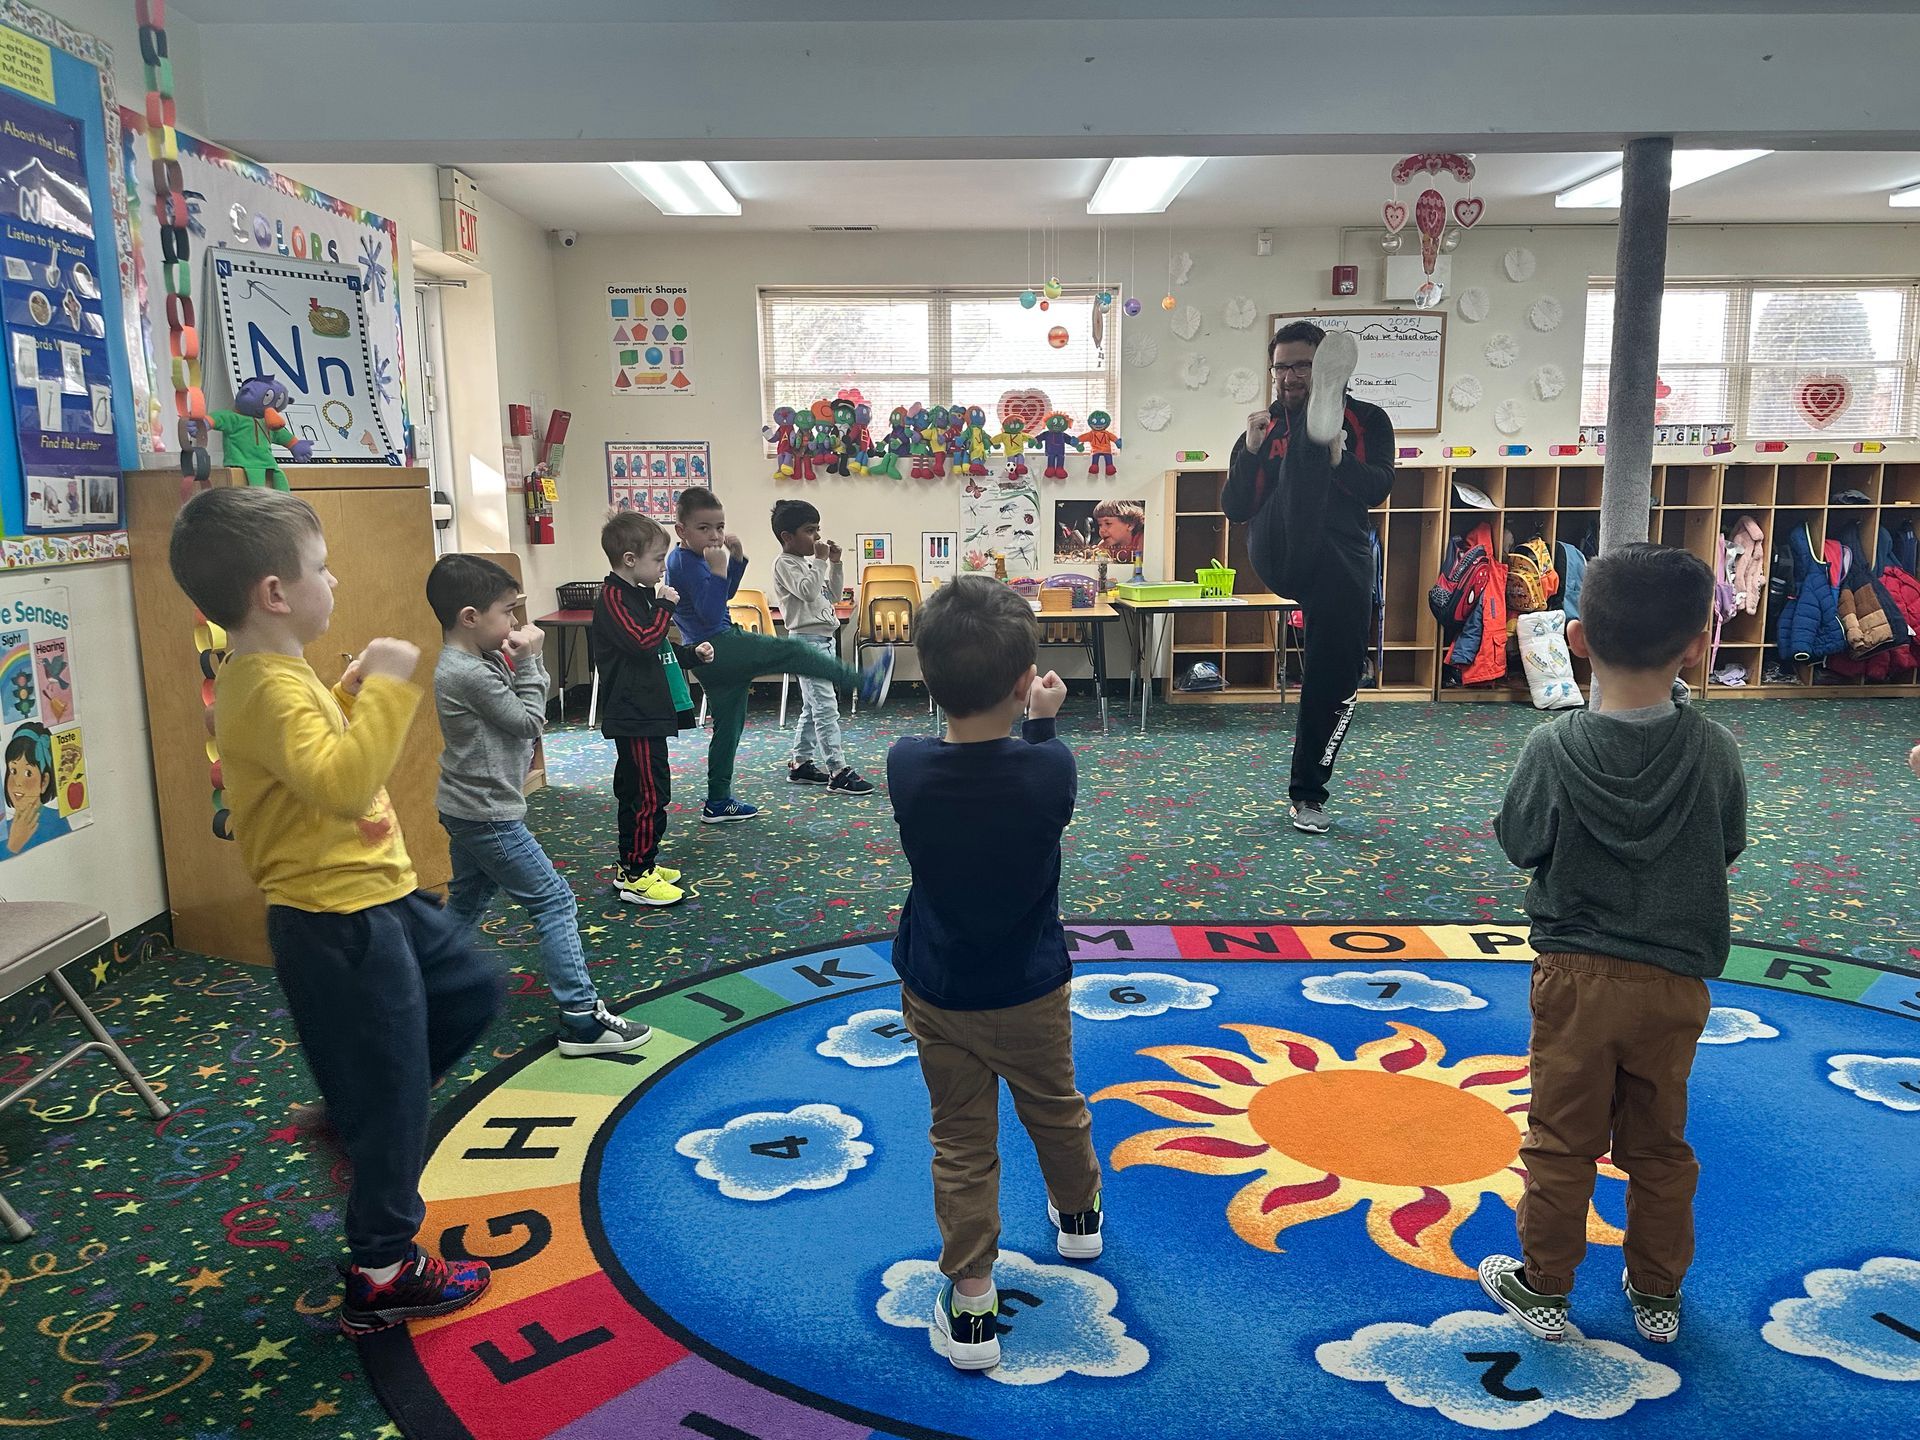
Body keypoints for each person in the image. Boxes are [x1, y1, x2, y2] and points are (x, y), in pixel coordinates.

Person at [167, 486, 502, 1337]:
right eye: (321, 568)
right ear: (274, 594)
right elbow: (348, 781)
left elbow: (318, 770)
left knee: (470, 988)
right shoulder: (265, 688)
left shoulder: (278, 677)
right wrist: (391, 688)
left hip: (380, 896)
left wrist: (349, 697)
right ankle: (383, 1272)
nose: (335, 580)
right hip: (335, 923)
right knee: (394, 1101)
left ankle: (357, 1111)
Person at [1477, 543, 1747, 1347]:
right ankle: (1657, 1291)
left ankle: (1544, 1286)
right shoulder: (1715, 749)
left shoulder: (1553, 747)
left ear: (1579, 636)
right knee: (1660, 1142)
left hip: (1576, 978)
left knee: (1561, 1138)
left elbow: (1521, 841)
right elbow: (1726, 843)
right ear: (1699, 642)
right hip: (1675, 979)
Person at [888, 576, 1104, 1373]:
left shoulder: (905, 765)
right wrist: (1042, 726)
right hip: (1029, 987)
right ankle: (1080, 1221)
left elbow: (953, 757)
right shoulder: (1049, 770)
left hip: (940, 987)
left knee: (961, 1138)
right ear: (1024, 681)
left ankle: (972, 1302)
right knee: (1055, 1105)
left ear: (927, 674)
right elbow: (1032, 772)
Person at [428, 554, 650, 1056]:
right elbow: (529, 722)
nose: (515, 622)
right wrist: (530, 661)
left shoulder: (473, 661)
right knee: (554, 901)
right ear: (470, 617)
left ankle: (419, 986)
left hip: (468, 806)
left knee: (467, 900)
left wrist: (512, 658)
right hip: (488, 815)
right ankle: (581, 1020)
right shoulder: (467, 672)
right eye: (507, 611)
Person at [1223, 322, 1393, 835]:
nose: (1289, 375)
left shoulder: (1370, 420)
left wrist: (1340, 457)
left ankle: (1308, 795)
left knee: (1334, 677)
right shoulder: (1262, 425)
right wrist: (1251, 451)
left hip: (1338, 554)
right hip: (1280, 546)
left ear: (1322, 367)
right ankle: (1315, 438)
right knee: (1300, 457)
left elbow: (1379, 487)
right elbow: (1235, 507)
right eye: (1281, 366)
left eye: (1302, 366)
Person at [665, 486, 893, 823]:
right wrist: (717, 568)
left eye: (719, 527)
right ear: (681, 531)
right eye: (704, 528)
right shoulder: (684, 563)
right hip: (720, 644)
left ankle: (718, 800)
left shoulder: (691, 558)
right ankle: (865, 683)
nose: (714, 536)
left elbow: (723, 594)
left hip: (709, 659)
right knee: (794, 649)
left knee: (728, 729)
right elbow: (713, 615)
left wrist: (736, 562)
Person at [591, 511, 715, 906]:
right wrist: (665, 607)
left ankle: (638, 861)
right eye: (658, 560)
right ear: (630, 560)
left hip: (649, 711)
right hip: (633, 714)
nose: (664, 568)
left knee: (649, 789)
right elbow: (644, 640)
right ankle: (636, 875)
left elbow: (657, 649)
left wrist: (691, 654)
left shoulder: (638, 595)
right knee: (646, 795)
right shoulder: (613, 598)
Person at [769, 499, 875, 796]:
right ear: (787, 537)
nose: (817, 537)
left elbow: (833, 593)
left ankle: (800, 763)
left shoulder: (804, 563)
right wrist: (819, 561)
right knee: (826, 708)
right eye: (810, 530)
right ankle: (838, 771)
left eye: (818, 529)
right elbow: (808, 590)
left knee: (812, 707)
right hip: (806, 644)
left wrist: (836, 563)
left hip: (823, 641)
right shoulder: (785, 564)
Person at [4, 722, 70, 855]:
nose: (18, 782)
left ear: (44, 781)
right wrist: (12, 845)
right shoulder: (4, 829)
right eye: (13, 770)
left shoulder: (57, 821)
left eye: (28, 773)